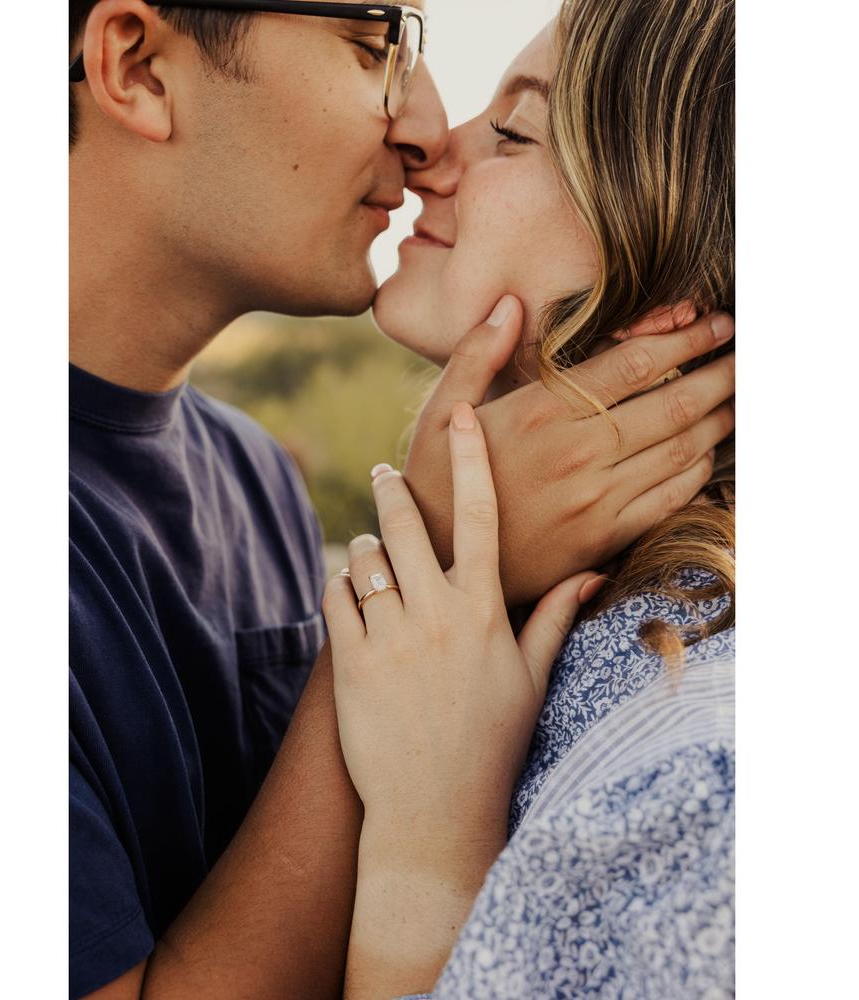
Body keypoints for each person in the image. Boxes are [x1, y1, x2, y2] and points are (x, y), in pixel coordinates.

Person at [68, 1, 734, 997]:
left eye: (513, 131)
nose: (426, 131)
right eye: (374, 45)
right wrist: (428, 561)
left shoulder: (253, 480)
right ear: (139, 67)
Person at [326, 0, 735, 996]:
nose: (434, 151)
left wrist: (428, 843)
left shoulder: (691, 797)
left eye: (512, 131)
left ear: (666, 271)